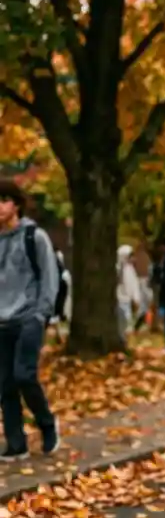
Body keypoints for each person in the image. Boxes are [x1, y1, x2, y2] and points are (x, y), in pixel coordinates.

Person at [0, 179, 59, 460]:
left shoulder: (34, 236)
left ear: (17, 204)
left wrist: (41, 314)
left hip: (28, 318)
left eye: (4, 200)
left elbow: (49, 277)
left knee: (24, 375)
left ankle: (47, 424)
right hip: (2, 321)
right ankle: (16, 443)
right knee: (5, 384)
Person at [116, 245, 143, 342]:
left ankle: (124, 340)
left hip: (127, 299)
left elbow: (133, 285)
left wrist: (136, 298)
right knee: (122, 321)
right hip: (120, 299)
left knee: (127, 322)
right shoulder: (119, 268)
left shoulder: (130, 269)